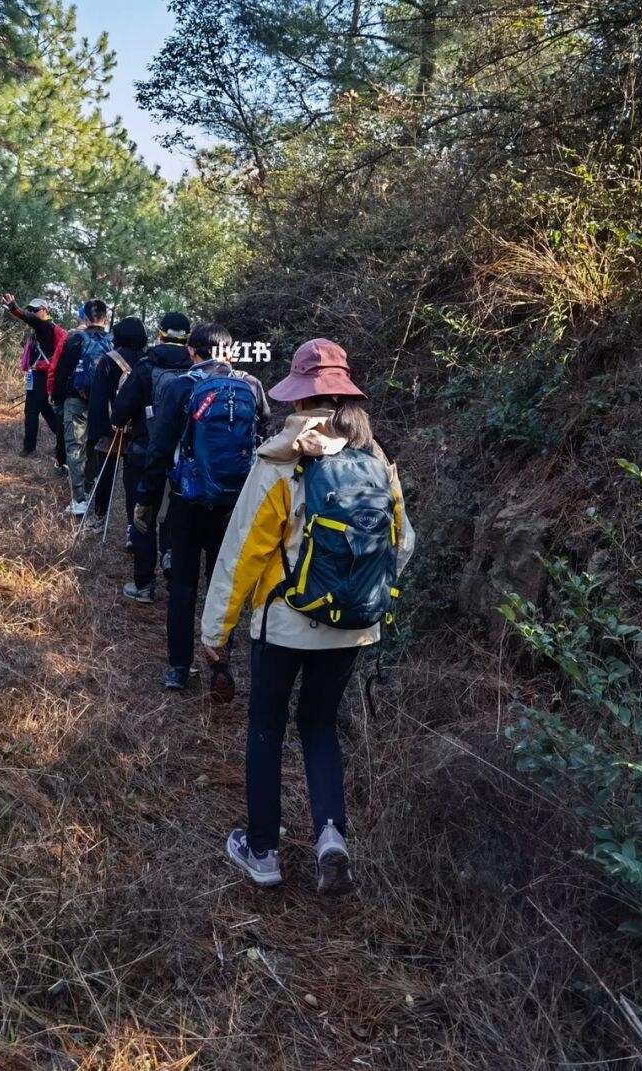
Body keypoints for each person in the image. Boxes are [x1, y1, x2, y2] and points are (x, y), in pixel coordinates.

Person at [200, 338, 415, 896]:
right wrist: (363, 594)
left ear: (299, 399)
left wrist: (214, 633)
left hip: (283, 625)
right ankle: (329, 837)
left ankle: (263, 850)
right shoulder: (374, 459)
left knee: (267, 729)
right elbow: (403, 543)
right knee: (319, 727)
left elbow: (241, 553)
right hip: (350, 627)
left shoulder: (279, 462)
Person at [134, 322, 271, 689]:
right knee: (223, 582)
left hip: (187, 502)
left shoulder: (180, 386)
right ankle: (220, 657)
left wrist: (146, 500)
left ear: (191, 352)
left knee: (183, 585)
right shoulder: (251, 386)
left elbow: (160, 449)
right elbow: (263, 439)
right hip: (233, 505)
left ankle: (179, 667)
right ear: (230, 352)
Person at [110, 310, 192, 600]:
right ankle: (170, 558)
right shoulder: (196, 369)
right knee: (176, 515)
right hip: (184, 460)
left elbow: (120, 412)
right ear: (187, 336)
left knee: (143, 516)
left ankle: (144, 585)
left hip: (144, 455)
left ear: (160, 333)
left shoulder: (146, 366)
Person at [49, 298, 112, 515]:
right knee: (94, 445)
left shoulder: (75, 339)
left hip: (75, 399)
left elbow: (61, 371)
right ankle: (90, 490)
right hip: (102, 403)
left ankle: (79, 500)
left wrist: (57, 398)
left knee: (74, 447)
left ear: (85, 317)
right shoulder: (112, 342)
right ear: (106, 318)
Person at [85, 315, 147, 525]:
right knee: (136, 481)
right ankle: (134, 525)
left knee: (105, 475)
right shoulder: (147, 362)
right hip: (139, 430)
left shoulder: (109, 359)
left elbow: (98, 399)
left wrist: (96, 433)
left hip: (111, 428)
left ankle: (100, 516)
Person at [1, 293, 65, 466]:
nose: (32, 313)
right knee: (45, 411)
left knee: (32, 412)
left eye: (35, 310)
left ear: (44, 310)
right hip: (36, 376)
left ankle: (30, 448)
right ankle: (63, 442)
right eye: (30, 310)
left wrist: (15, 308)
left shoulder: (46, 327)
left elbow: (30, 320)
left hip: (42, 376)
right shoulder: (41, 328)